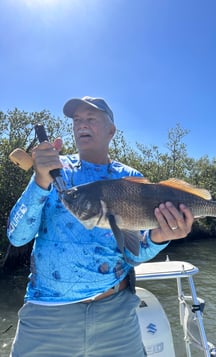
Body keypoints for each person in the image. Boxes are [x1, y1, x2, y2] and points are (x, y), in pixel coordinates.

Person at [7, 96, 194, 357]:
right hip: (47, 316)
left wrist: (160, 237)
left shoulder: (133, 180)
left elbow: (133, 254)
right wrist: (39, 180)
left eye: (91, 119)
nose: (82, 124)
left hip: (116, 314)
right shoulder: (52, 171)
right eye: (77, 120)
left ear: (111, 130)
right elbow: (17, 236)